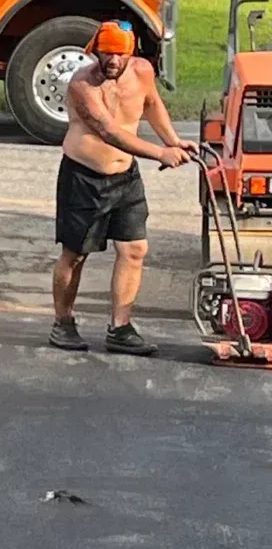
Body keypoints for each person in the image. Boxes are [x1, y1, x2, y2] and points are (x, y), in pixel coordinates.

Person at [50, 20, 196, 355]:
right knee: (76, 255)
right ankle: (63, 322)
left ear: (131, 53)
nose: (113, 61)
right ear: (94, 50)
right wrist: (160, 153)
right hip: (84, 178)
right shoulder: (82, 85)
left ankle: (120, 328)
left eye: (120, 54)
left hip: (125, 177)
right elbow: (108, 131)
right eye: (106, 53)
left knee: (134, 249)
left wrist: (174, 140)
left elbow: (152, 105)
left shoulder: (143, 71)